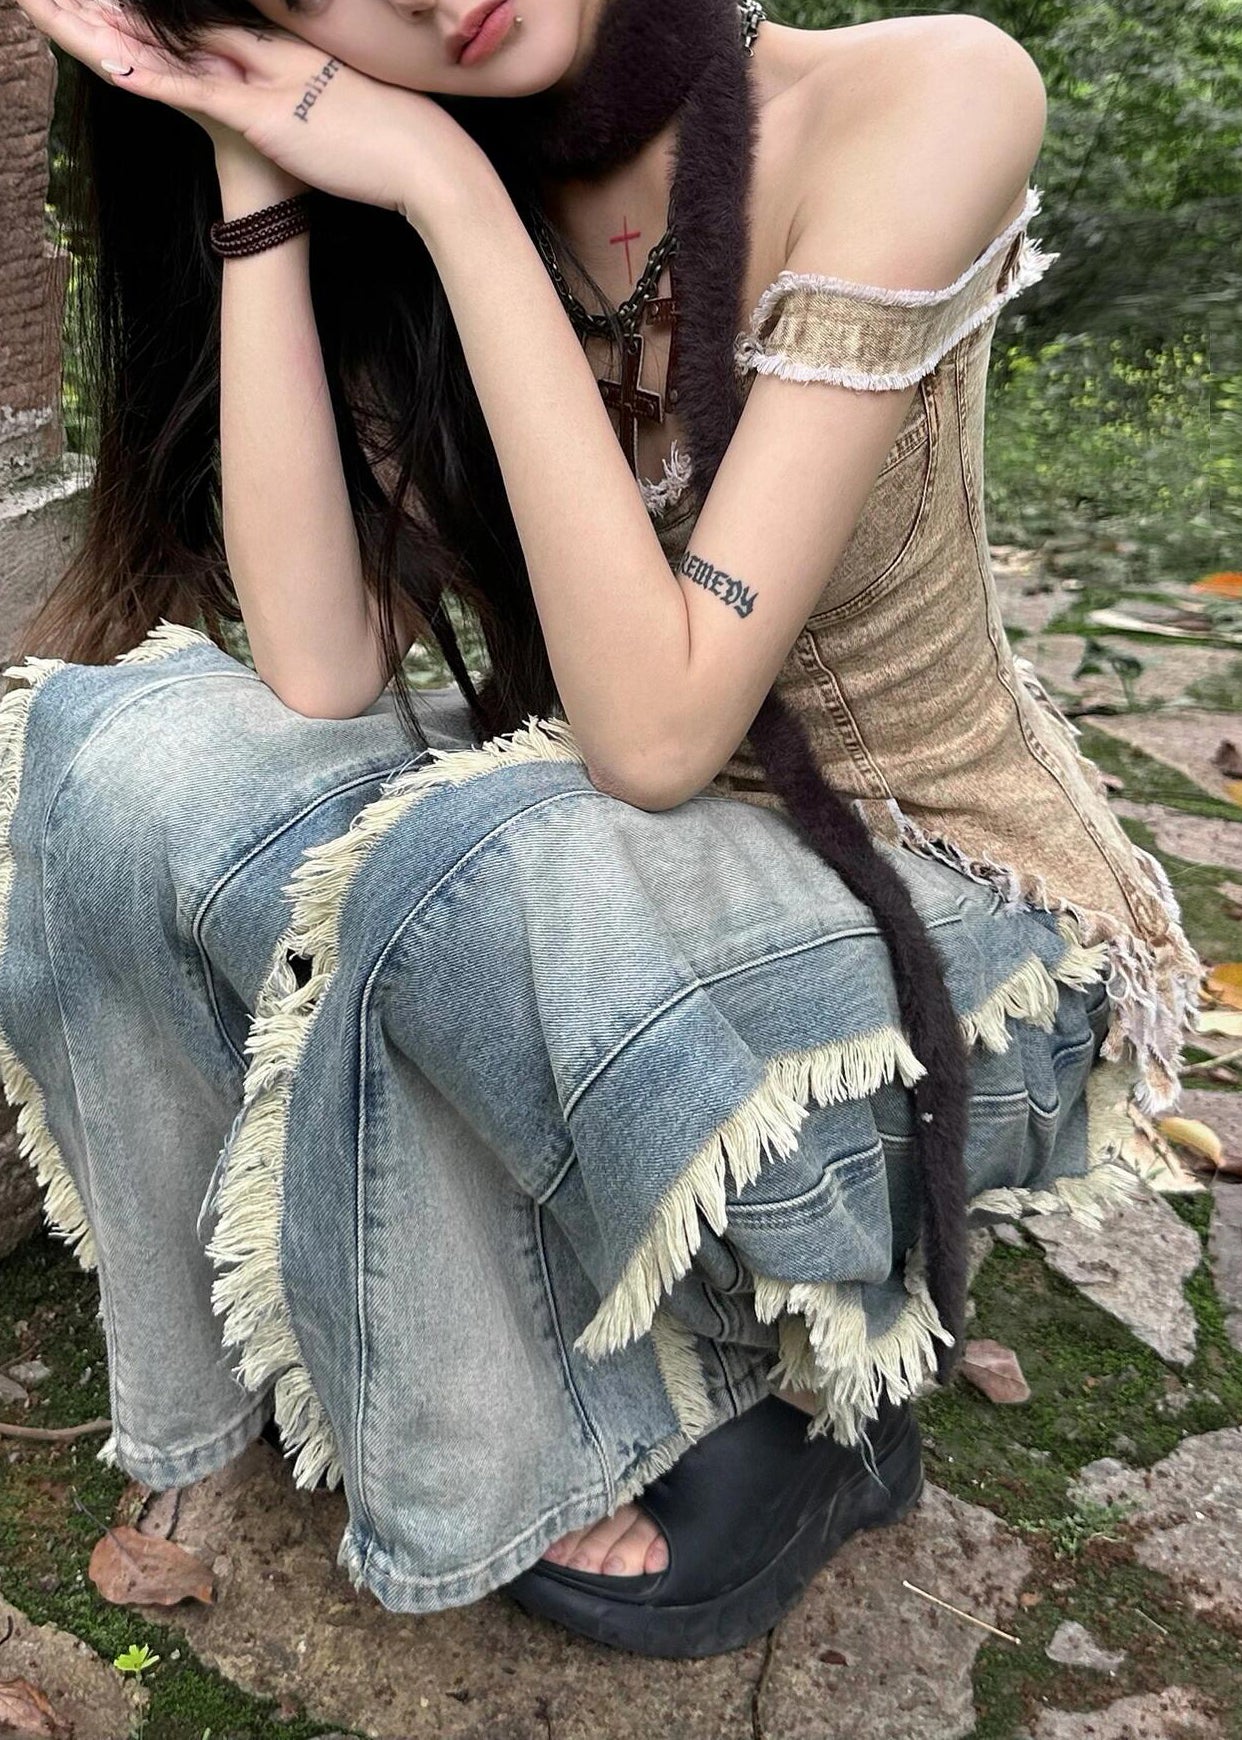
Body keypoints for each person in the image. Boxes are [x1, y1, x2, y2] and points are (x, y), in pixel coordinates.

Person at [0, 0, 1199, 1660]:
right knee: (124, 748)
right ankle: (315, 1317)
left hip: (937, 907)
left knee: (467, 869)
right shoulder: (398, 196)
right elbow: (321, 666)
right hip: (596, 889)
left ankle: (757, 1388)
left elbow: (654, 735)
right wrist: (255, 165)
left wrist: (447, 191)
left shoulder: (918, 96)